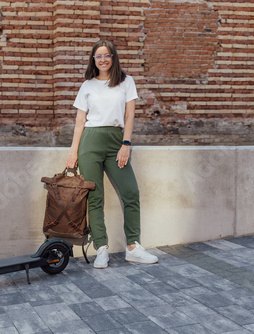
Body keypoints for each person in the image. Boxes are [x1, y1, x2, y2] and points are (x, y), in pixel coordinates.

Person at [66, 39, 158, 269]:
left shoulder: (127, 82)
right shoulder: (87, 85)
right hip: (90, 142)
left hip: (117, 141)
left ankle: (133, 248)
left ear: (114, 57)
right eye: (98, 56)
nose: (103, 59)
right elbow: (79, 121)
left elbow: (129, 116)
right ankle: (101, 249)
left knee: (130, 193)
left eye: (107, 55)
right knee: (95, 198)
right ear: (93, 60)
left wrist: (126, 144)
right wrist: (73, 151)